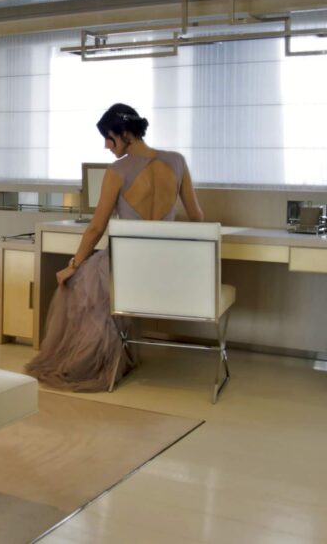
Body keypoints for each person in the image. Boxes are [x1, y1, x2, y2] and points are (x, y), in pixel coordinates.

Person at [25, 103, 205, 392]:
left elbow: (97, 227)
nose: (107, 146)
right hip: (164, 268)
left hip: (127, 267)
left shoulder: (117, 170)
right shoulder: (178, 161)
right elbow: (197, 217)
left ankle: (94, 363)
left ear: (123, 134)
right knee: (96, 280)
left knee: (82, 282)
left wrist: (72, 266)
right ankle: (119, 355)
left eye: (109, 138)